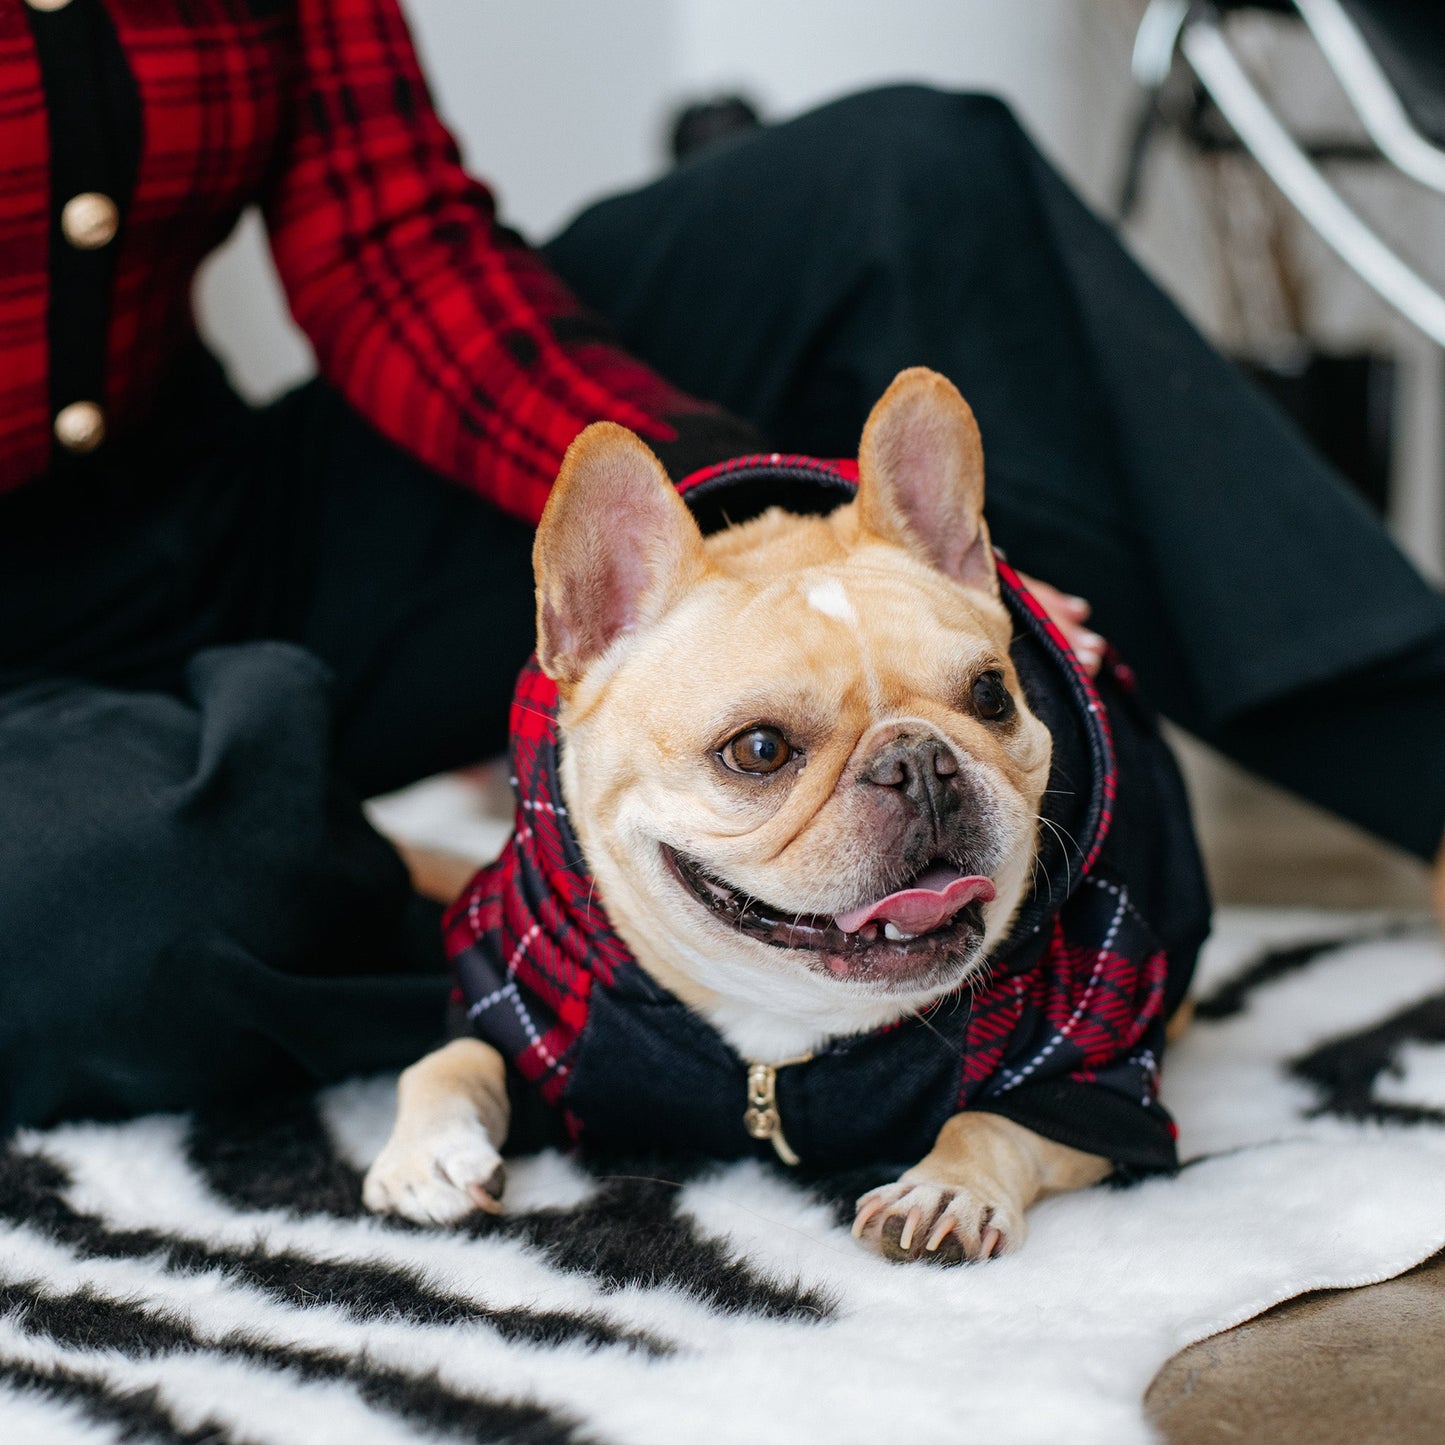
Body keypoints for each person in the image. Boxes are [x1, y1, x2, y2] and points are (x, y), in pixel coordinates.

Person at [1, 0, 1439, 1133]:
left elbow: (392, 249)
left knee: (903, 177)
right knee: (120, 904)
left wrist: (740, 525)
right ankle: (516, 929)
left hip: (212, 516)